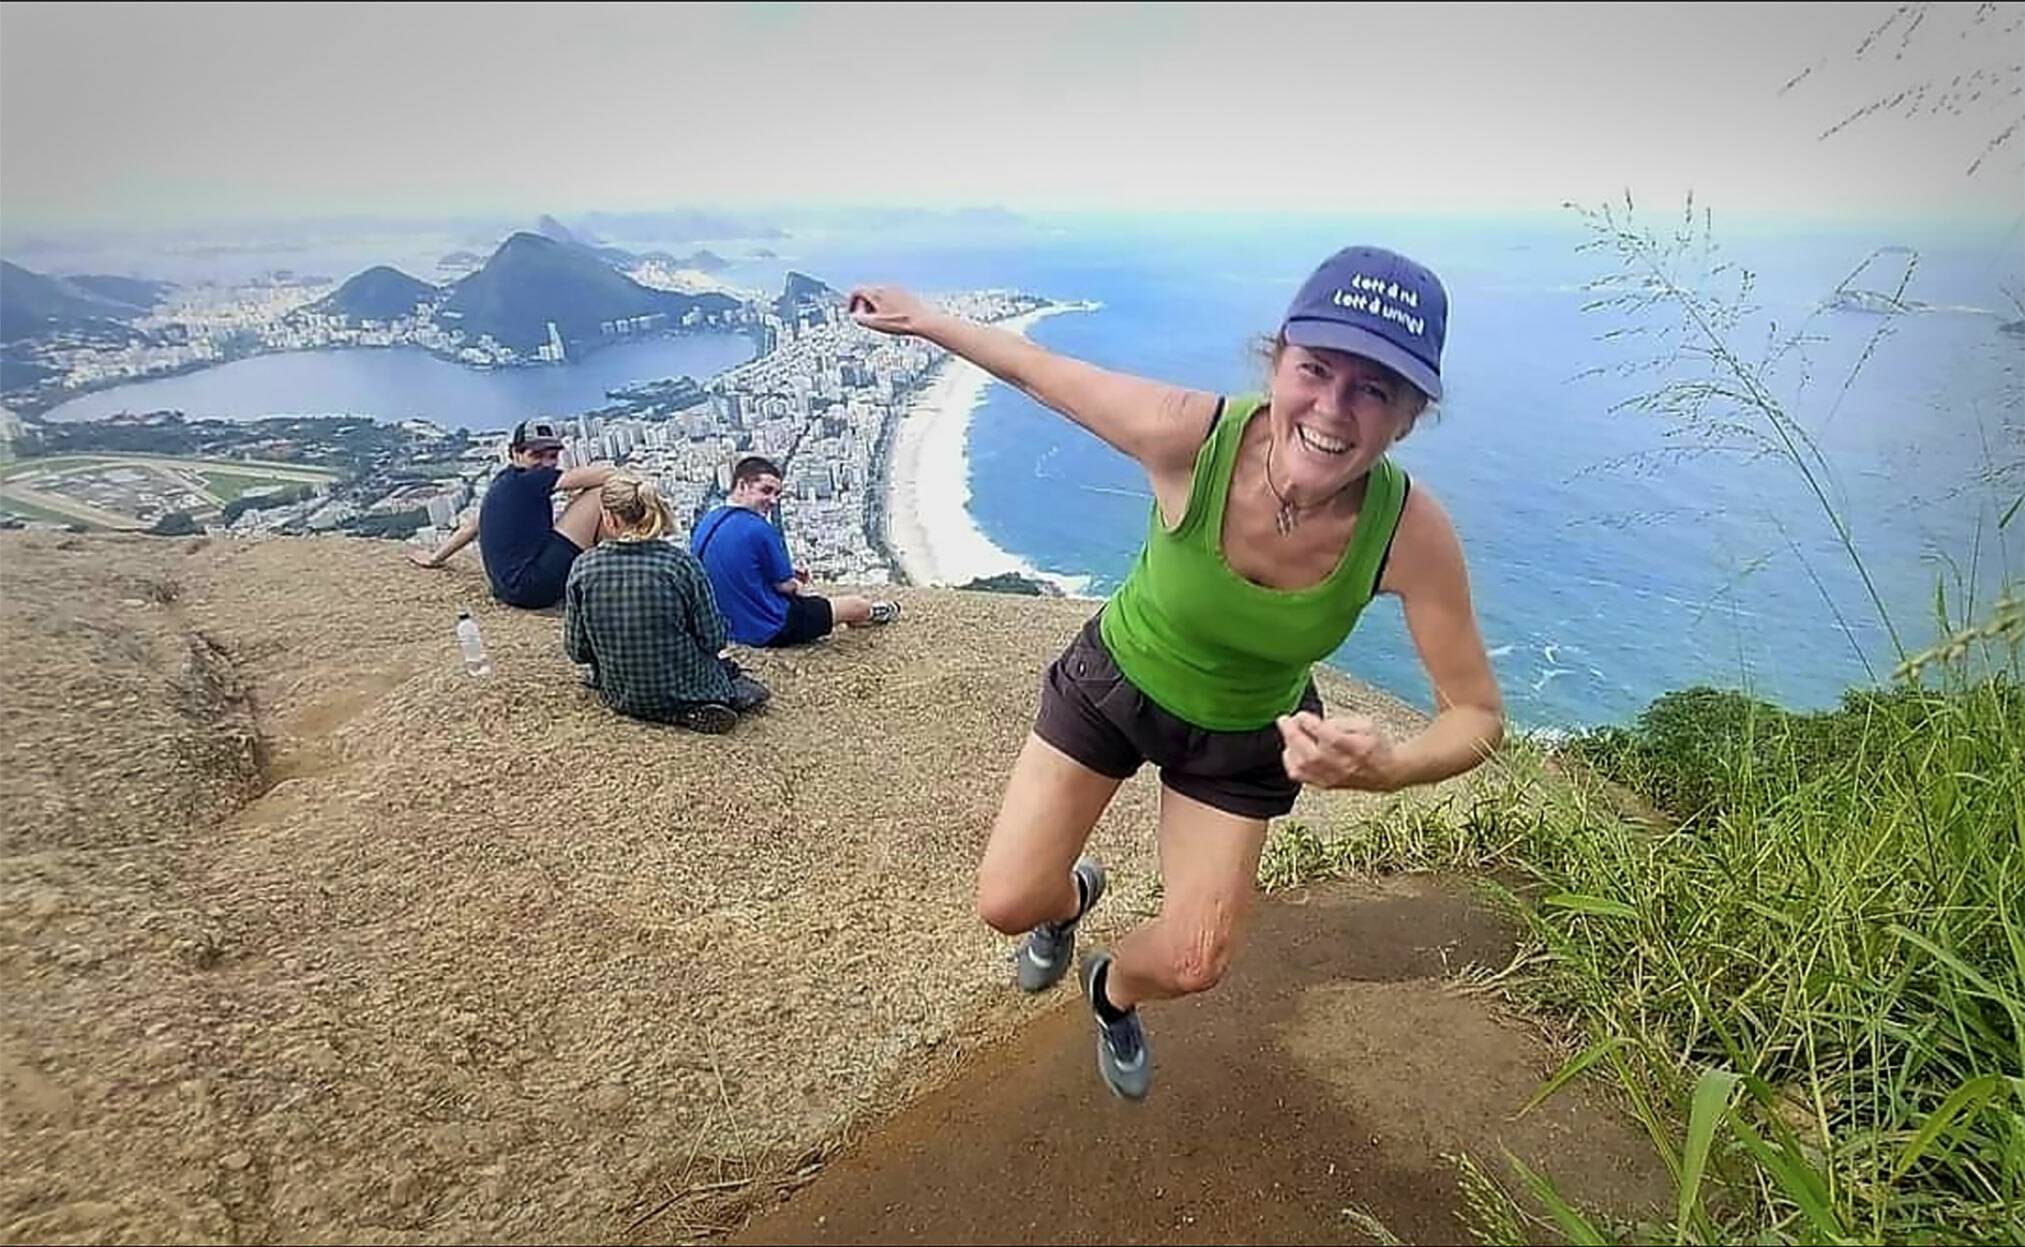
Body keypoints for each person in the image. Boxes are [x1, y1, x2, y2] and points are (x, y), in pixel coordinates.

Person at [847, 245, 1505, 1102]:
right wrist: (924, 316)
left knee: (1197, 961)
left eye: (1373, 388)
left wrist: (1389, 768)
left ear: (1407, 418)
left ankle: (1108, 990)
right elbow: (1044, 372)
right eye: (1315, 368)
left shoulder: (1409, 533)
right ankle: (1066, 900)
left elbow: (1476, 712)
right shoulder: (1191, 436)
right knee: (1008, 902)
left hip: (1242, 736)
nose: (1333, 409)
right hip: (1115, 683)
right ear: (1277, 363)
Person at [563, 472, 770, 734]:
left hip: (619, 692)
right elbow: (713, 639)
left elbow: (577, 650)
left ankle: (660, 704)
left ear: (610, 518)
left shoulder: (584, 566)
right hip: (687, 684)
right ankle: (693, 706)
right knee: (733, 674)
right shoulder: (680, 565)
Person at [690, 454, 901, 648]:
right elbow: (785, 587)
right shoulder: (759, 529)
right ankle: (875, 612)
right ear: (742, 485)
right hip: (768, 627)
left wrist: (785, 573)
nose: (773, 500)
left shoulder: (707, 521)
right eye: (766, 490)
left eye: (776, 494)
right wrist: (797, 583)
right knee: (855, 605)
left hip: (726, 626)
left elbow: (738, 566)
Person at [409, 419, 615, 610]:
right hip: (533, 587)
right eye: (536, 455)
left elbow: (473, 525)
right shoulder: (528, 481)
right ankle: (618, 570)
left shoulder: (504, 481)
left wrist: (435, 558)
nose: (546, 463)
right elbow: (606, 475)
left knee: (583, 498)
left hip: (508, 589)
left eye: (552, 456)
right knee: (599, 494)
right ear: (515, 454)